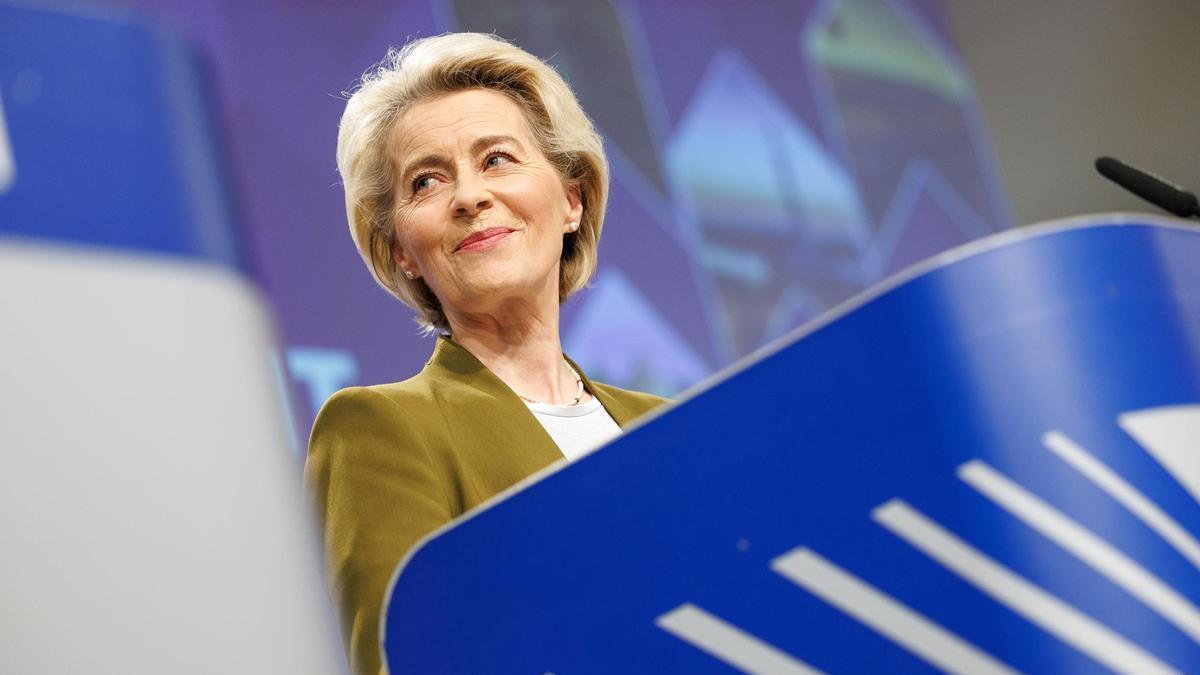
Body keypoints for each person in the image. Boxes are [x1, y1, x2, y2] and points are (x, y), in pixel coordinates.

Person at [305, 32, 668, 675]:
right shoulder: (379, 432)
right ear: (401, 253)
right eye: (426, 181)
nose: (469, 196)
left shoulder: (674, 429)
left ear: (571, 200)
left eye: (497, 159)